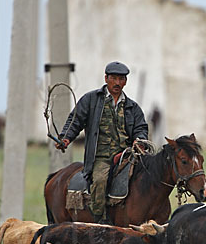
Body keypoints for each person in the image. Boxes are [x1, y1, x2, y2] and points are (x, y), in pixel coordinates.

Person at [55, 61, 148, 224]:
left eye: (121, 79)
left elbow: (141, 127)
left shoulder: (132, 107)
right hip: (101, 157)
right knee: (99, 180)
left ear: (125, 81)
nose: (117, 83)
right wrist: (66, 138)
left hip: (127, 156)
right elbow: (75, 121)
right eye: (114, 78)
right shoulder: (91, 100)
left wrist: (139, 140)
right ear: (106, 78)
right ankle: (99, 219)